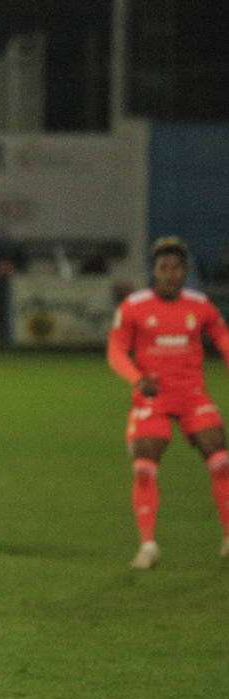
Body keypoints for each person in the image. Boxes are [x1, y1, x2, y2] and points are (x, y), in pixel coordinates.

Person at [106, 236, 229, 569]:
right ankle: (148, 546)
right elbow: (116, 351)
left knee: (220, 459)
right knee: (144, 466)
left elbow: (222, 337)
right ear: (155, 271)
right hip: (152, 395)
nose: (170, 274)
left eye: (176, 268)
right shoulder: (134, 306)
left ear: (185, 272)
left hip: (192, 395)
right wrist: (137, 379)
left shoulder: (201, 305)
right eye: (164, 267)